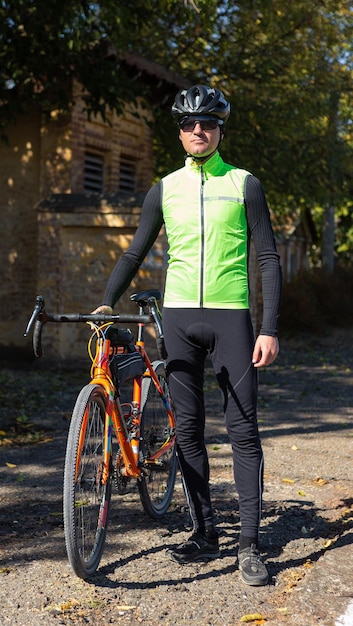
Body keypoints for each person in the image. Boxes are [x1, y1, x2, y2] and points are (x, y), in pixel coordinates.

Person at [93, 85, 282, 586]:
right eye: (188, 124)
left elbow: (267, 258)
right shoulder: (164, 188)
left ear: (220, 130)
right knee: (189, 432)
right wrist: (107, 300)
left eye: (208, 123)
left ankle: (249, 545)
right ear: (179, 131)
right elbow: (135, 253)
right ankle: (205, 532)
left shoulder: (245, 184)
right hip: (179, 320)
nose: (198, 131)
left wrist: (269, 328)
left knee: (243, 432)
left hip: (231, 320)